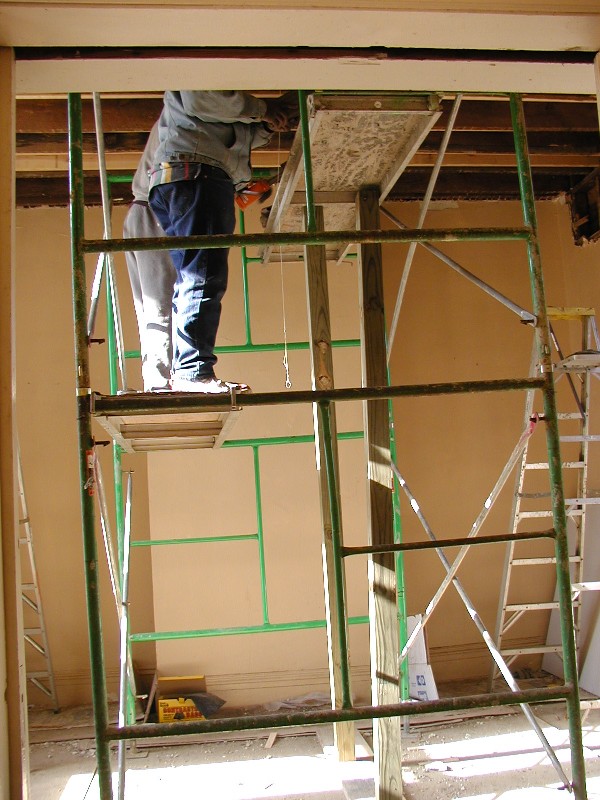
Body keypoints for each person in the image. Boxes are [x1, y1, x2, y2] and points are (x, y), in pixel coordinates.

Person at [148, 90, 297, 394]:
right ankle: (192, 371)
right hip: (197, 173)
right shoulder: (209, 59)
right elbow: (199, 100)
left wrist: (266, 124)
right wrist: (263, 108)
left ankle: (189, 368)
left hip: (186, 175)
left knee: (195, 275)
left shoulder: (230, 96)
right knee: (202, 275)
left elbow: (229, 133)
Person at [123, 122, 176, 392]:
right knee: (160, 302)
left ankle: (160, 380)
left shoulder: (180, 113)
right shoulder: (188, 110)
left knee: (152, 304)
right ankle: (160, 384)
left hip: (146, 211)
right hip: (154, 211)